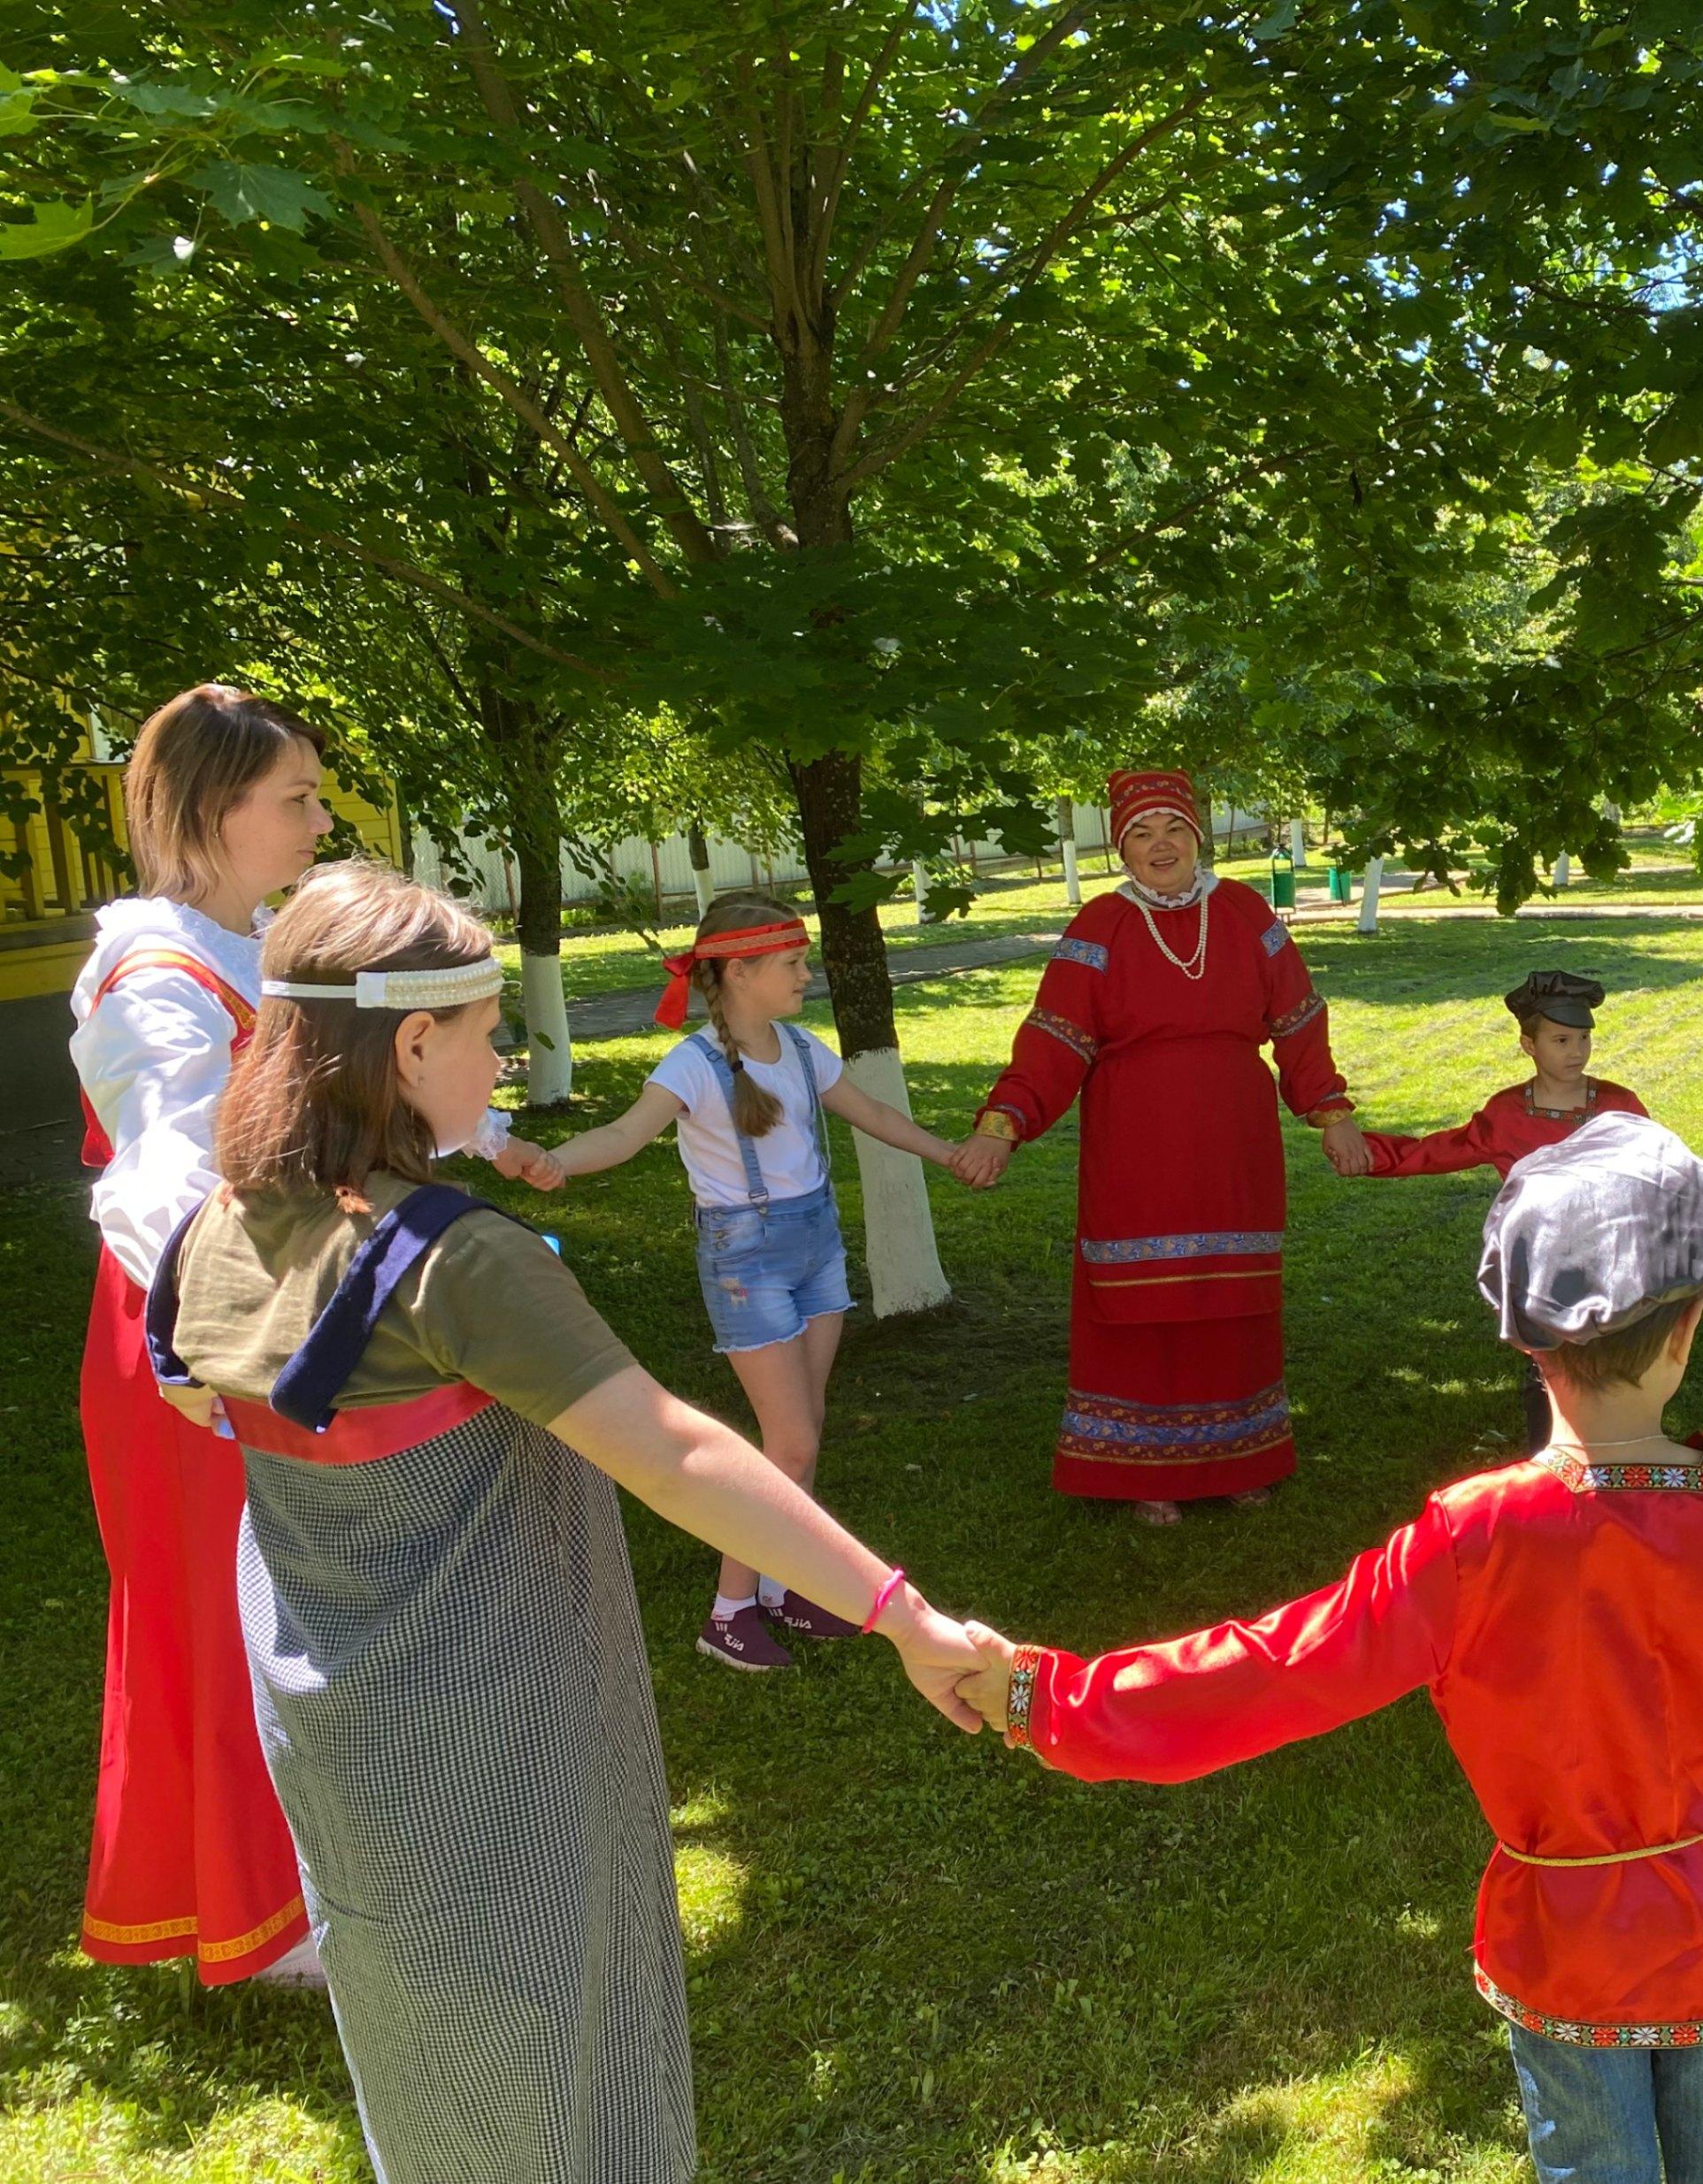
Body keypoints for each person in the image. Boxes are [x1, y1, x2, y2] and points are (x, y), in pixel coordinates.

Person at [963, 1114, 1703, 2184]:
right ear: (1686, 1333)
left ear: (1526, 1333)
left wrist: (1043, 1697)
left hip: (1567, 1936)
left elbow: (1276, 1668)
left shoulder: (1471, 1538)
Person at [144, 861, 1003, 2183]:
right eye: (492, 1032)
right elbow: (671, 1451)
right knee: (564, 2047)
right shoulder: (452, 1259)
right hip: (506, 1725)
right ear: (412, 1041)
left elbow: (212, 1408)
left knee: (417, 2036)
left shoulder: (211, 1235)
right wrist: (898, 1613)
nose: (507, 1057)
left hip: (336, 1737)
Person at [66, 684, 554, 1990]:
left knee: (292, 1597)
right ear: (210, 809)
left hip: (273, 1300)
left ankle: (310, 1880)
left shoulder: (262, 939)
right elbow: (152, 1182)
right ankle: (265, 1921)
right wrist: (202, 1352)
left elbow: (345, 1083)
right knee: (226, 1607)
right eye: (295, 796)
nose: (319, 815)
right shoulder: (151, 975)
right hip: (199, 1328)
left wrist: (484, 1134)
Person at [542, 892, 988, 1671]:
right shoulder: (693, 1064)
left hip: (816, 1246)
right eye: (792, 963)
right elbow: (621, 1134)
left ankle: (784, 1585)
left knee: (802, 1434)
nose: (805, 975)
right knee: (789, 1443)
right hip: (745, 1261)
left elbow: (873, 1115)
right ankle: (728, 1610)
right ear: (741, 970)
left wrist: (945, 1150)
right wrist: (552, 1161)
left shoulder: (801, 1048)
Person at [955, 770, 1369, 1526]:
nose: (1160, 845)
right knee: (1141, 1302)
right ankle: (1141, 1470)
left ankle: (1241, 1456)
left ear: (1197, 835)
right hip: (1136, 1140)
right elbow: (1054, 1038)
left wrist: (1330, 1109)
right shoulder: (1100, 924)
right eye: (1140, 834)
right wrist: (1003, 1122)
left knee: (1229, 1300)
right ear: (1120, 848)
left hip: (1233, 1139)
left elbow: (1299, 1018)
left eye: (1172, 829)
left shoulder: (1244, 911)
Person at [1356, 969, 1651, 1450]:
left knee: (1616, 1370)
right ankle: (1552, 1464)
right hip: (1540, 1267)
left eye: (1583, 1038)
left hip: (1613, 1262)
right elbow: (1438, 1151)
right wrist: (1365, 1154)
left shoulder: (1618, 1105)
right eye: (1560, 1039)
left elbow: (1665, 1176)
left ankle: (1621, 1462)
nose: (1576, 1051)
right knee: (1549, 1371)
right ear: (1528, 1045)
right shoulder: (1508, 1113)